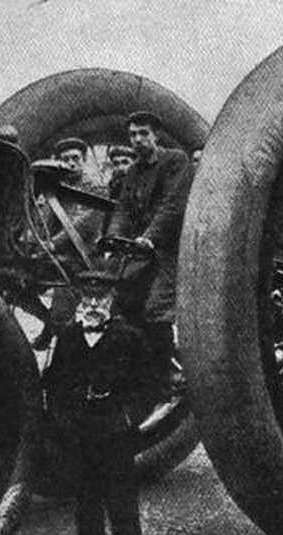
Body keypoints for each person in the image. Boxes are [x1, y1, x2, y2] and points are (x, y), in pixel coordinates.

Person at [43, 270, 153, 535]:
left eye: (100, 299)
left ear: (111, 301)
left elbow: (151, 387)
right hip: (80, 438)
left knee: (124, 517)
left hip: (116, 438)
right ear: (79, 301)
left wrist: (128, 419)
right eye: (86, 299)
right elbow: (54, 386)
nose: (92, 306)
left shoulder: (129, 338)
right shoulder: (69, 337)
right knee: (86, 515)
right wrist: (63, 421)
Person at [105, 110, 193, 391]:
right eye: (132, 134)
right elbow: (122, 210)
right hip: (144, 250)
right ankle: (138, 373)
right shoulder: (133, 171)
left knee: (157, 308)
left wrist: (150, 237)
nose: (137, 140)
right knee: (123, 302)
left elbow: (173, 206)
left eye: (143, 133)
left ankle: (167, 374)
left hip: (172, 249)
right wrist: (113, 238)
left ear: (156, 135)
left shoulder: (175, 161)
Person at [31, 137, 108, 350]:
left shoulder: (96, 187)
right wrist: (40, 241)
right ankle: (50, 325)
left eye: (76, 158)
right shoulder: (56, 186)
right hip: (60, 254)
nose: (71, 163)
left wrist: (53, 244)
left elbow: (84, 225)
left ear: (84, 160)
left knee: (66, 305)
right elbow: (47, 217)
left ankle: (54, 330)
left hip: (86, 255)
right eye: (66, 159)